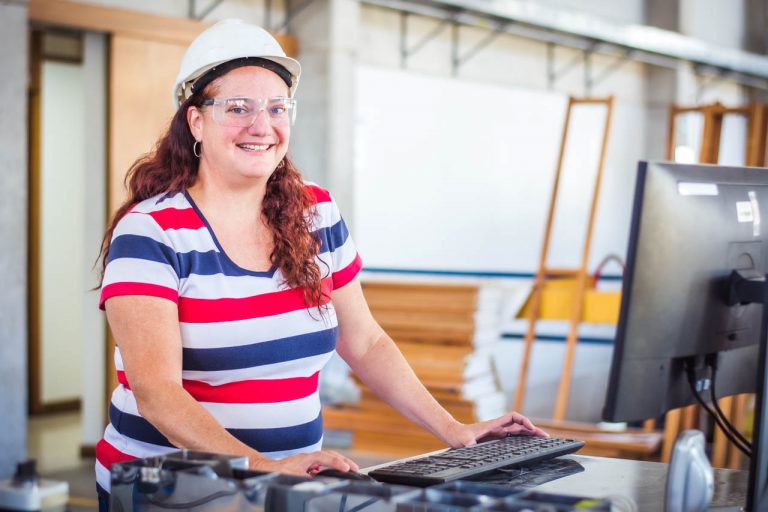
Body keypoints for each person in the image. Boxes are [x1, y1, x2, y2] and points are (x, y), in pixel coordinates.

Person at [94, 18, 546, 507]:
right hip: (169, 492)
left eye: (276, 107)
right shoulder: (151, 231)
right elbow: (157, 392)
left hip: (288, 488)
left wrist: (453, 429)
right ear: (196, 121)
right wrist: (264, 466)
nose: (260, 125)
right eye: (238, 108)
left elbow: (365, 341)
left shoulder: (315, 213)